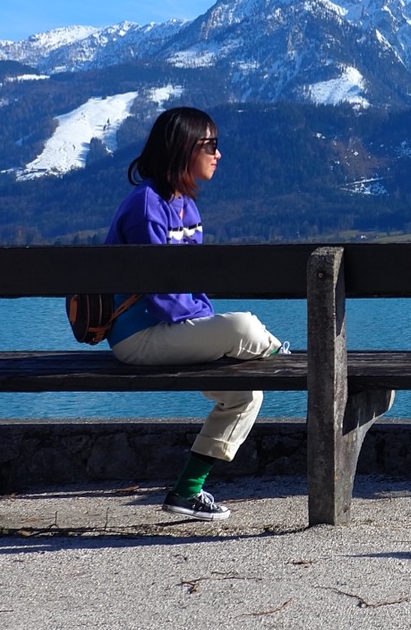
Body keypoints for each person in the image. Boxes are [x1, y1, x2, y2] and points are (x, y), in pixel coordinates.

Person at [105, 106, 286, 521]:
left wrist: (205, 323)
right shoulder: (146, 205)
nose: (219, 154)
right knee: (243, 326)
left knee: (245, 393)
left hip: (170, 331)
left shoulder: (186, 206)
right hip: (140, 336)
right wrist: (213, 328)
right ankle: (287, 359)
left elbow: (191, 289)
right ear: (184, 148)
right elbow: (164, 295)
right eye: (211, 145)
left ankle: (186, 491)